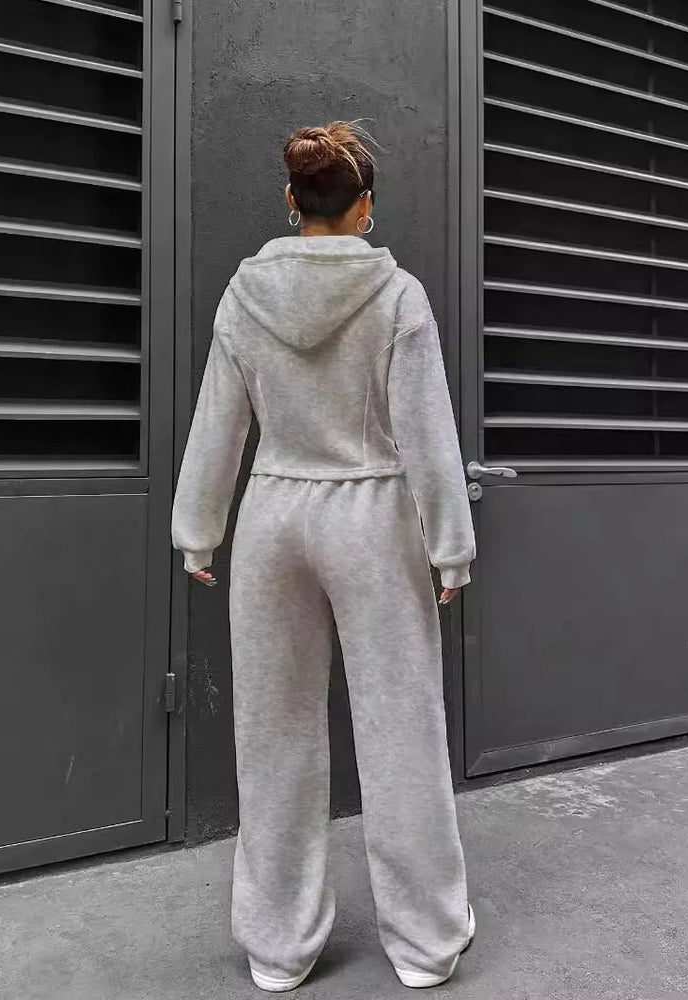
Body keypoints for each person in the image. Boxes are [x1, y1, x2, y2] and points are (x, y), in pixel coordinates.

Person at [171, 121, 476, 992]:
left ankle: (279, 948)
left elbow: (218, 420)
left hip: (273, 514)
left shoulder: (245, 294)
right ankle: (425, 944)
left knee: (273, 739)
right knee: (400, 729)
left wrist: (199, 527)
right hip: (372, 515)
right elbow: (426, 432)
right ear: (366, 207)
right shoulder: (396, 295)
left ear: (290, 202)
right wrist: (450, 547)